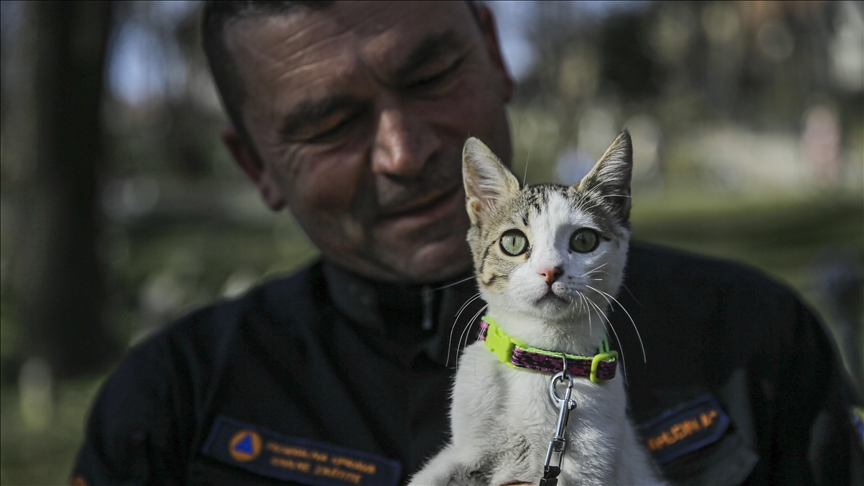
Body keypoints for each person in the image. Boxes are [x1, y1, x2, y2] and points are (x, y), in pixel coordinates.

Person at [72, 2, 862, 485]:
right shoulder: (168, 406)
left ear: (495, 48)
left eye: (431, 74)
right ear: (257, 166)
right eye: (328, 124)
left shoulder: (758, 338)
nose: (404, 150)